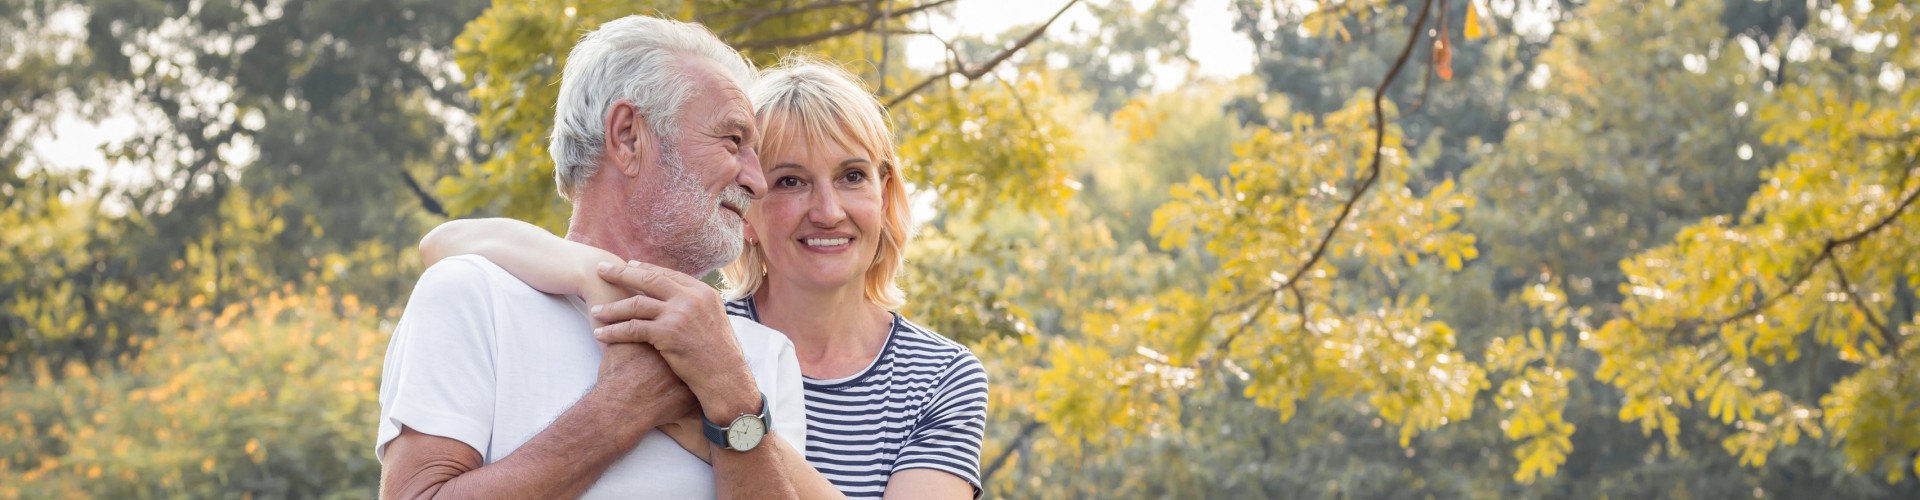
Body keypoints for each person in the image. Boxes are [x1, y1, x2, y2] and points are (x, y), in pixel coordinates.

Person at [424, 60, 989, 498]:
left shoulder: (941, 376)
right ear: (748, 200)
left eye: (852, 176)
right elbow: (443, 242)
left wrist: (719, 401)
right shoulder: (692, 321)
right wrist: (593, 273)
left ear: (885, 194)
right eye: (790, 181)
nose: (828, 210)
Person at [375, 15, 803, 499]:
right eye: (733, 140)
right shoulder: (471, 295)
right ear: (627, 136)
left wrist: (730, 393)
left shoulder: (763, 355)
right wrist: (622, 407)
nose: (757, 180)